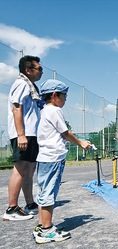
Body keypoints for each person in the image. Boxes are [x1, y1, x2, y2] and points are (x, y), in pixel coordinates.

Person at [33, 79, 92, 244]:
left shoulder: (45, 110)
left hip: (45, 157)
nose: (65, 99)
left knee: (44, 193)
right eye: (64, 96)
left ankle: (41, 225)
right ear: (54, 95)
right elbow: (65, 133)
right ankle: (47, 231)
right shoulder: (54, 110)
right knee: (49, 194)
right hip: (53, 158)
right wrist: (81, 142)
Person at [3, 55, 43, 221]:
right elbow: (16, 108)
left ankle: (30, 203)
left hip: (31, 134)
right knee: (20, 169)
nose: (41, 72)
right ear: (28, 70)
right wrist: (21, 135)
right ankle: (11, 208)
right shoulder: (21, 84)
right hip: (24, 134)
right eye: (39, 69)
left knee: (29, 170)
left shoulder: (30, 86)